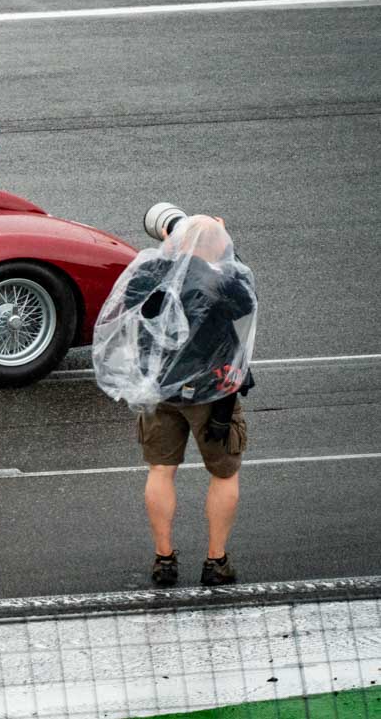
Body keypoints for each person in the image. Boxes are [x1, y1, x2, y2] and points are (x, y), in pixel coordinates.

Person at [93, 214, 258, 588]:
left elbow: (128, 307)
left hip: (161, 387)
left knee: (160, 470)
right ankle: (216, 561)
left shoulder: (151, 272)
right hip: (213, 391)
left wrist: (171, 250)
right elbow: (247, 301)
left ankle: (163, 560)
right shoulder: (224, 279)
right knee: (224, 472)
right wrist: (218, 241)